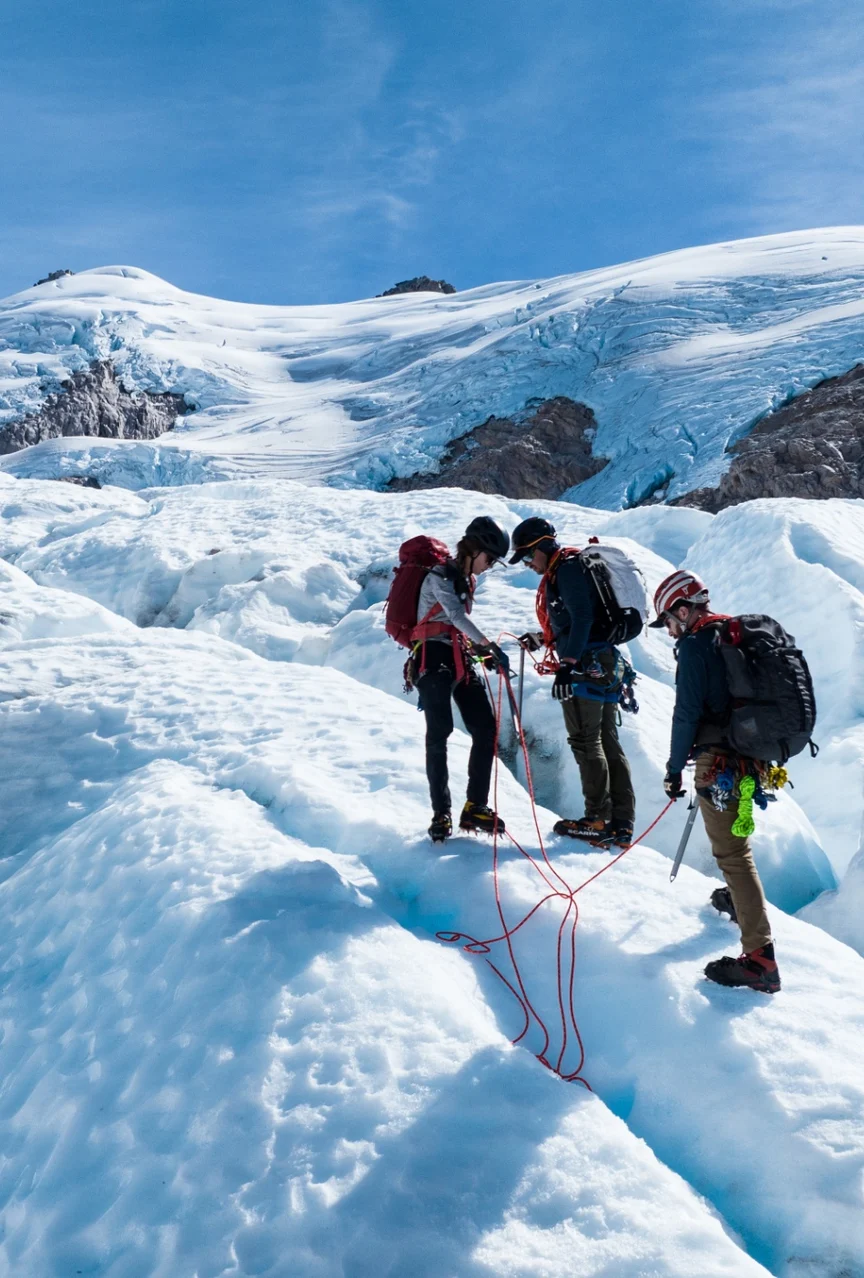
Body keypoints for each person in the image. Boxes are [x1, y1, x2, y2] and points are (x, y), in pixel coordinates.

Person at [650, 570, 780, 994]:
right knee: (738, 845)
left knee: (733, 854)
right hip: (749, 761)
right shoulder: (732, 635)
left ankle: (760, 960)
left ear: (683, 610)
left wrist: (672, 769)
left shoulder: (695, 645)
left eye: (669, 621)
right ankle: (738, 902)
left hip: (718, 763)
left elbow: (686, 713)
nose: (670, 631)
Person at [510, 517, 635, 848]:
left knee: (585, 740)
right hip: (603, 662)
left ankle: (597, 819)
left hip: (585, 665)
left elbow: (582, 617)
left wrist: (567, 664)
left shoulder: (564, 568)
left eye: (526, 556)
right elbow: (577, 620)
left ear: (541, 546)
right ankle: (621, 823)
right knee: (607, 741)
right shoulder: (570, 568)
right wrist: (542, 638)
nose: (527, 564)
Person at [413, 516, 511, 842]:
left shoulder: (465, 581)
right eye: (490, 558)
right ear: (474, 550)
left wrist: (483, 655)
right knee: (439, 732)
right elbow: (454, 616)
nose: (490, 566)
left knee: (486, 728)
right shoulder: (440, 576)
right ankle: (441, 814)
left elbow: (456, 627)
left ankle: (475, 807)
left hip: (457, 658)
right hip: (432, 658)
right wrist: (489, 646)